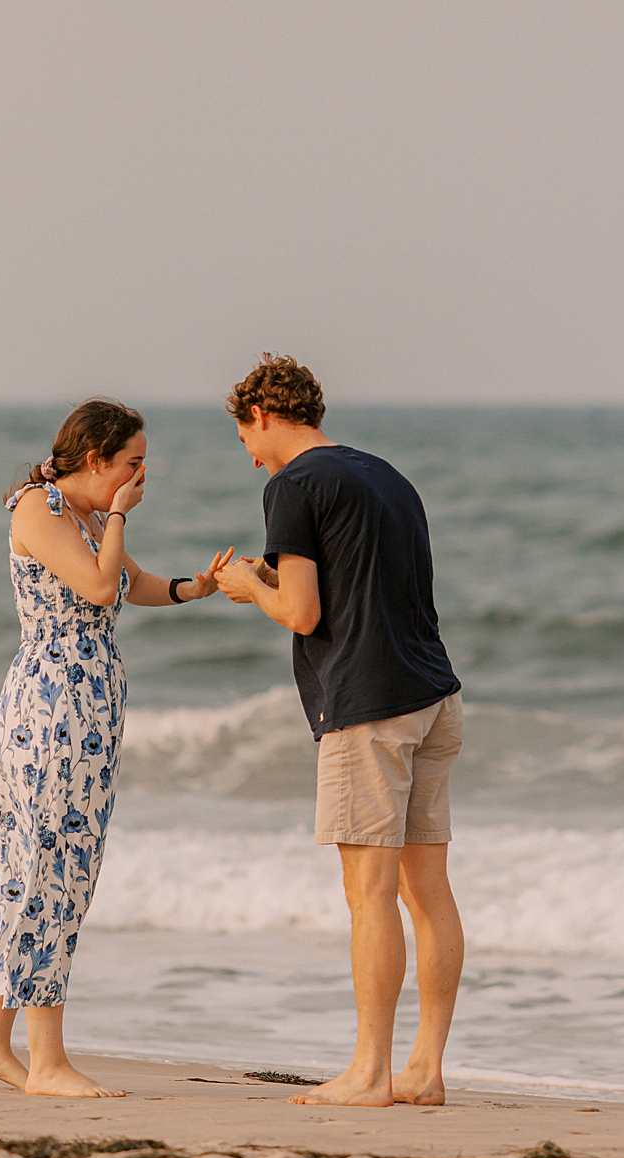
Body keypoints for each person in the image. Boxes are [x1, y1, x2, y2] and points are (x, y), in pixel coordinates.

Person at [0, 400, 231, 1098]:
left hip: (87, 707)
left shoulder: (89, 517)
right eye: (132, 460)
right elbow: (98, 584)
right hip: (51, 709)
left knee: (50, 859)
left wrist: (200, 587)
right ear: (95, 458)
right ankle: (47, 1062)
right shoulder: (38, 509)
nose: (141, 473)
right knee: (51, 866)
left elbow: (130, 584)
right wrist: (122, 514)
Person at [213, 353, 465, 1108]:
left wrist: (245, 585)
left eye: (244, 437)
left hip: (367, 706)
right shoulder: (385, 475)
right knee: (430, 893)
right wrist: (271, 574)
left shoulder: (289, 484)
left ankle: (368, 1073)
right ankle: (424, 1070)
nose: (248, 454)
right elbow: (364, 575)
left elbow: (303, 613)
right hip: (434, 694)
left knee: (369, 895)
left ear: (261, 415)